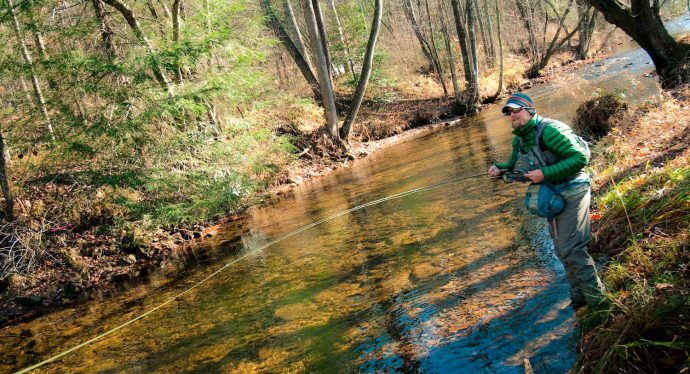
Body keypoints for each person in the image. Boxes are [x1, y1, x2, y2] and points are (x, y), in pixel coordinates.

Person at [488, 92, 606, 311]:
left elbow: (580, 157)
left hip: (574, 189)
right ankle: (579, 301)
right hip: (552, 195)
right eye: (509, 113)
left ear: (530, 110)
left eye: (516, 110)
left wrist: (544, 173)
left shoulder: (551, 130)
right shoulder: (519, 139)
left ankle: (599, 303)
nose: (512, 116)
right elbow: (515, 166)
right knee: (561, 249)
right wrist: (500, 169)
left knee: (572, 249)